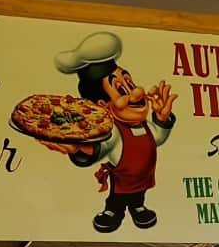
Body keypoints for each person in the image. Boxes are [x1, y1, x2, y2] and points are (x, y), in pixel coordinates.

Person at [44, 31, 177, 233]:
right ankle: (113, 211)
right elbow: (99, 147)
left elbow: (158, 136)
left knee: (138, 196)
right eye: (121, 89)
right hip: (122, 180)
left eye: (130, 83)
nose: (136, 92)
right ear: (102, 105)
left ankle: (138, 207)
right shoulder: (114, 132)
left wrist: (163, 119)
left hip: (143, 179)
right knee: (118, 197)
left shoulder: (145, 126)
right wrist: (79, 150)